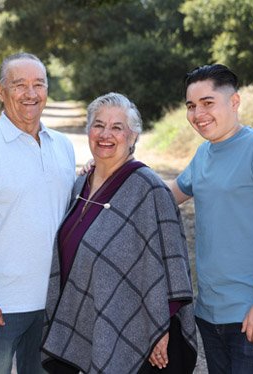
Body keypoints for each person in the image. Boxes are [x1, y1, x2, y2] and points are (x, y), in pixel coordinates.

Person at [41, 92, 197, 374]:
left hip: (137, 328)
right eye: (98, 125)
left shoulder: (148, 188)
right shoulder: (81, 185)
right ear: (89, 130)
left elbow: (173, 263)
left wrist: (161, 330)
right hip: (85, 319)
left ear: (133, 136)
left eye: (117, 127)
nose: (105, 134)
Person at [167, 64, 253, 373]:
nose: (198, 113)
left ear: (234, 102)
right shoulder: (204, 154)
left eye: (208, 103)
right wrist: (112, 172)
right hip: (211, 312)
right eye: (191, 106)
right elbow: (164, 194)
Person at [0, 52, 76, 374]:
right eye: (19, 84)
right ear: (1, 91)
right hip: (1, 303)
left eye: (39, 84)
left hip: (53, 300)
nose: (31, 93)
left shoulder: (63, 146)